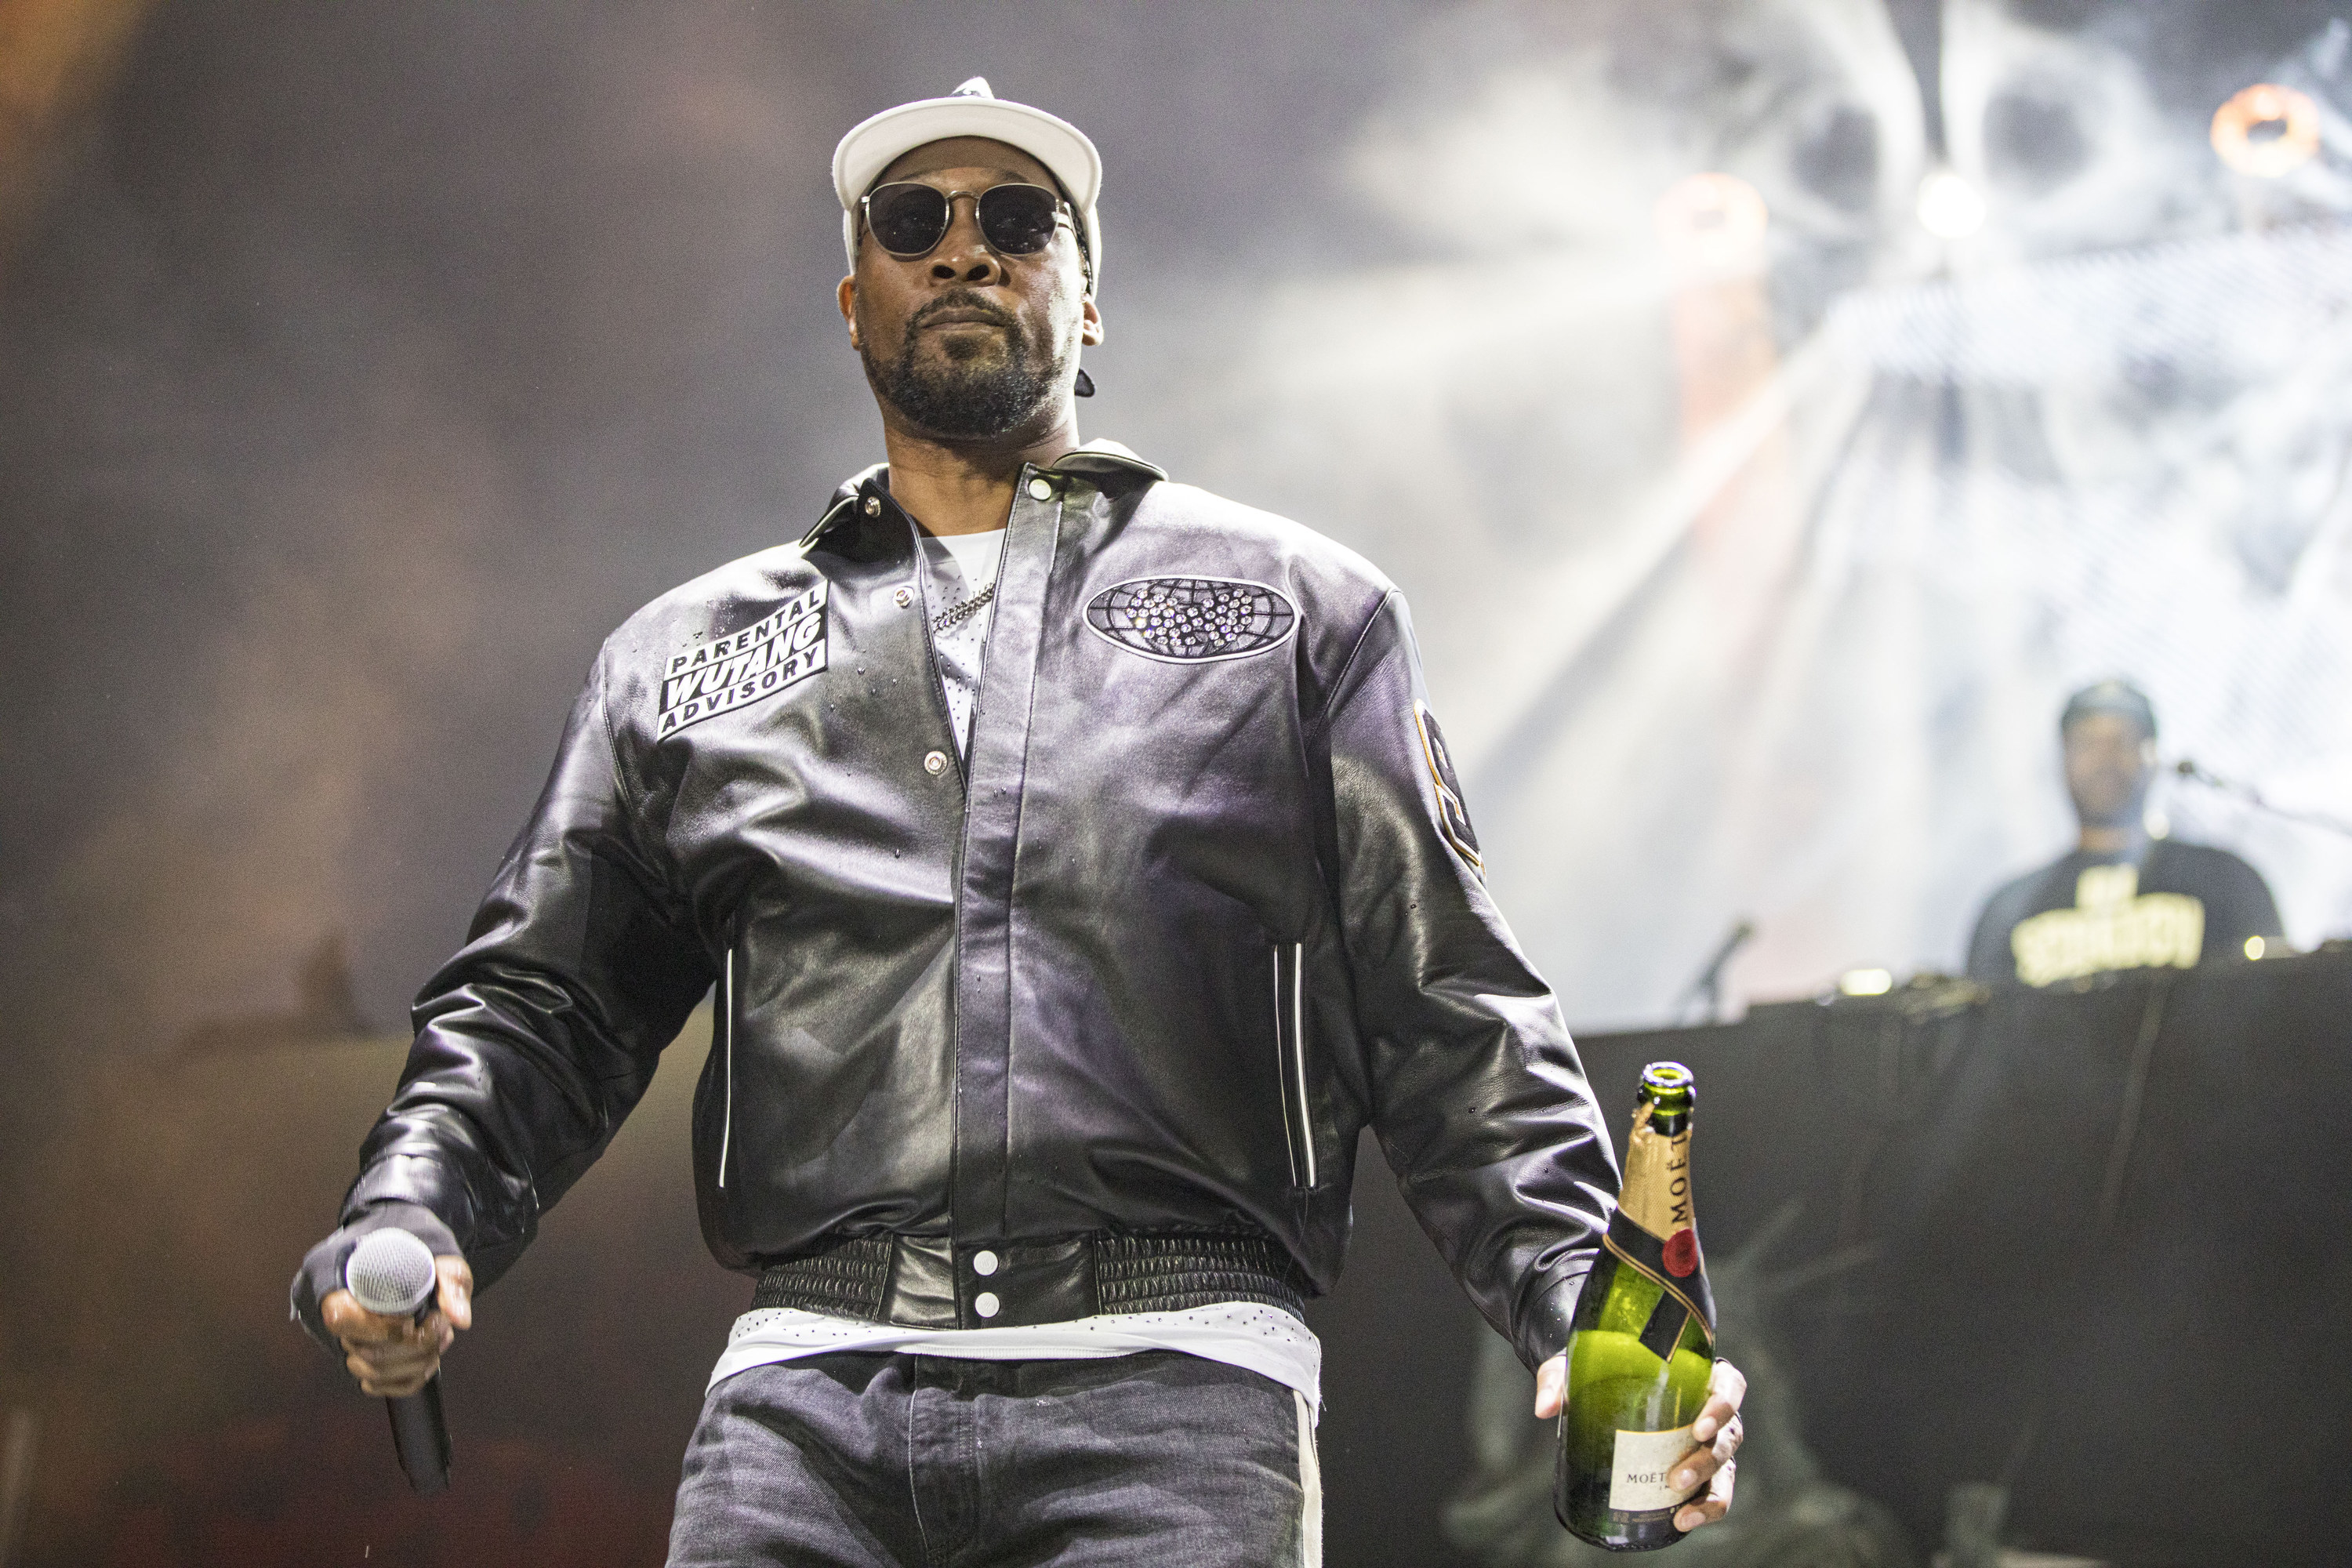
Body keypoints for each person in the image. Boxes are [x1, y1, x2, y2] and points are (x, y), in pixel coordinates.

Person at [292, 79, 1746, 1563]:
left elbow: (1445, 1006)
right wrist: (418, 1203)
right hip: (806, 1408)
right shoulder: (685, 660)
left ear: (1091, 301)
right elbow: (542, 1004)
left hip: (1174, 1400)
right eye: (915, 221)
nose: (966, 251)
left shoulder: (1302, 614)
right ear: (855, 298)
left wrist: (1581, 1292)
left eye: (1019, 220)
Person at [1965, 679, 2283, 988]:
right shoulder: (2009, 910)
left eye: (2122, 742)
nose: (2105, 759)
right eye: (2088, 743)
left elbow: (2274, 1008)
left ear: (2154, 758)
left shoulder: (2227, 882)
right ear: (2063, 759)